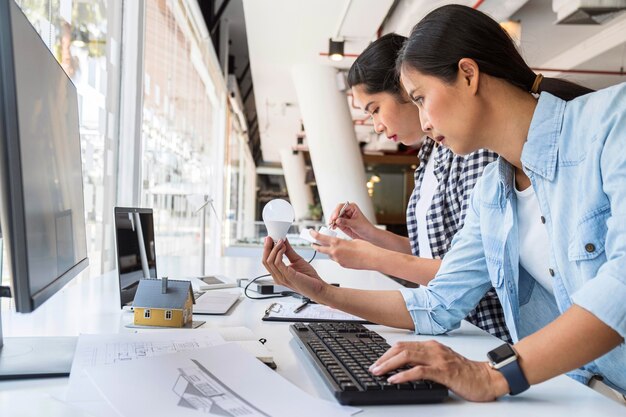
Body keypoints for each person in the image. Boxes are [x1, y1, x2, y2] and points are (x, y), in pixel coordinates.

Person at [262, 4, 626, 402]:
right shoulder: (491, 191)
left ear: (468, 75)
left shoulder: (612, 122)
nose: (423, 122)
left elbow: (620, 285)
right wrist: (320, 293)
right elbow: (438, 303)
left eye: (420, 98)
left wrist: (493, 374)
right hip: (582, 393)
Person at [313, 33, 509, 342]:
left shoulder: (470, 149)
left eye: (375, 108)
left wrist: (369, 257)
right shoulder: (430, 153)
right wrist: (370, 235)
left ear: (406, 90)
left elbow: (467, 273)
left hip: (483, 334)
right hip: (449, 327)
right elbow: (432, 254)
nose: (376, 125)